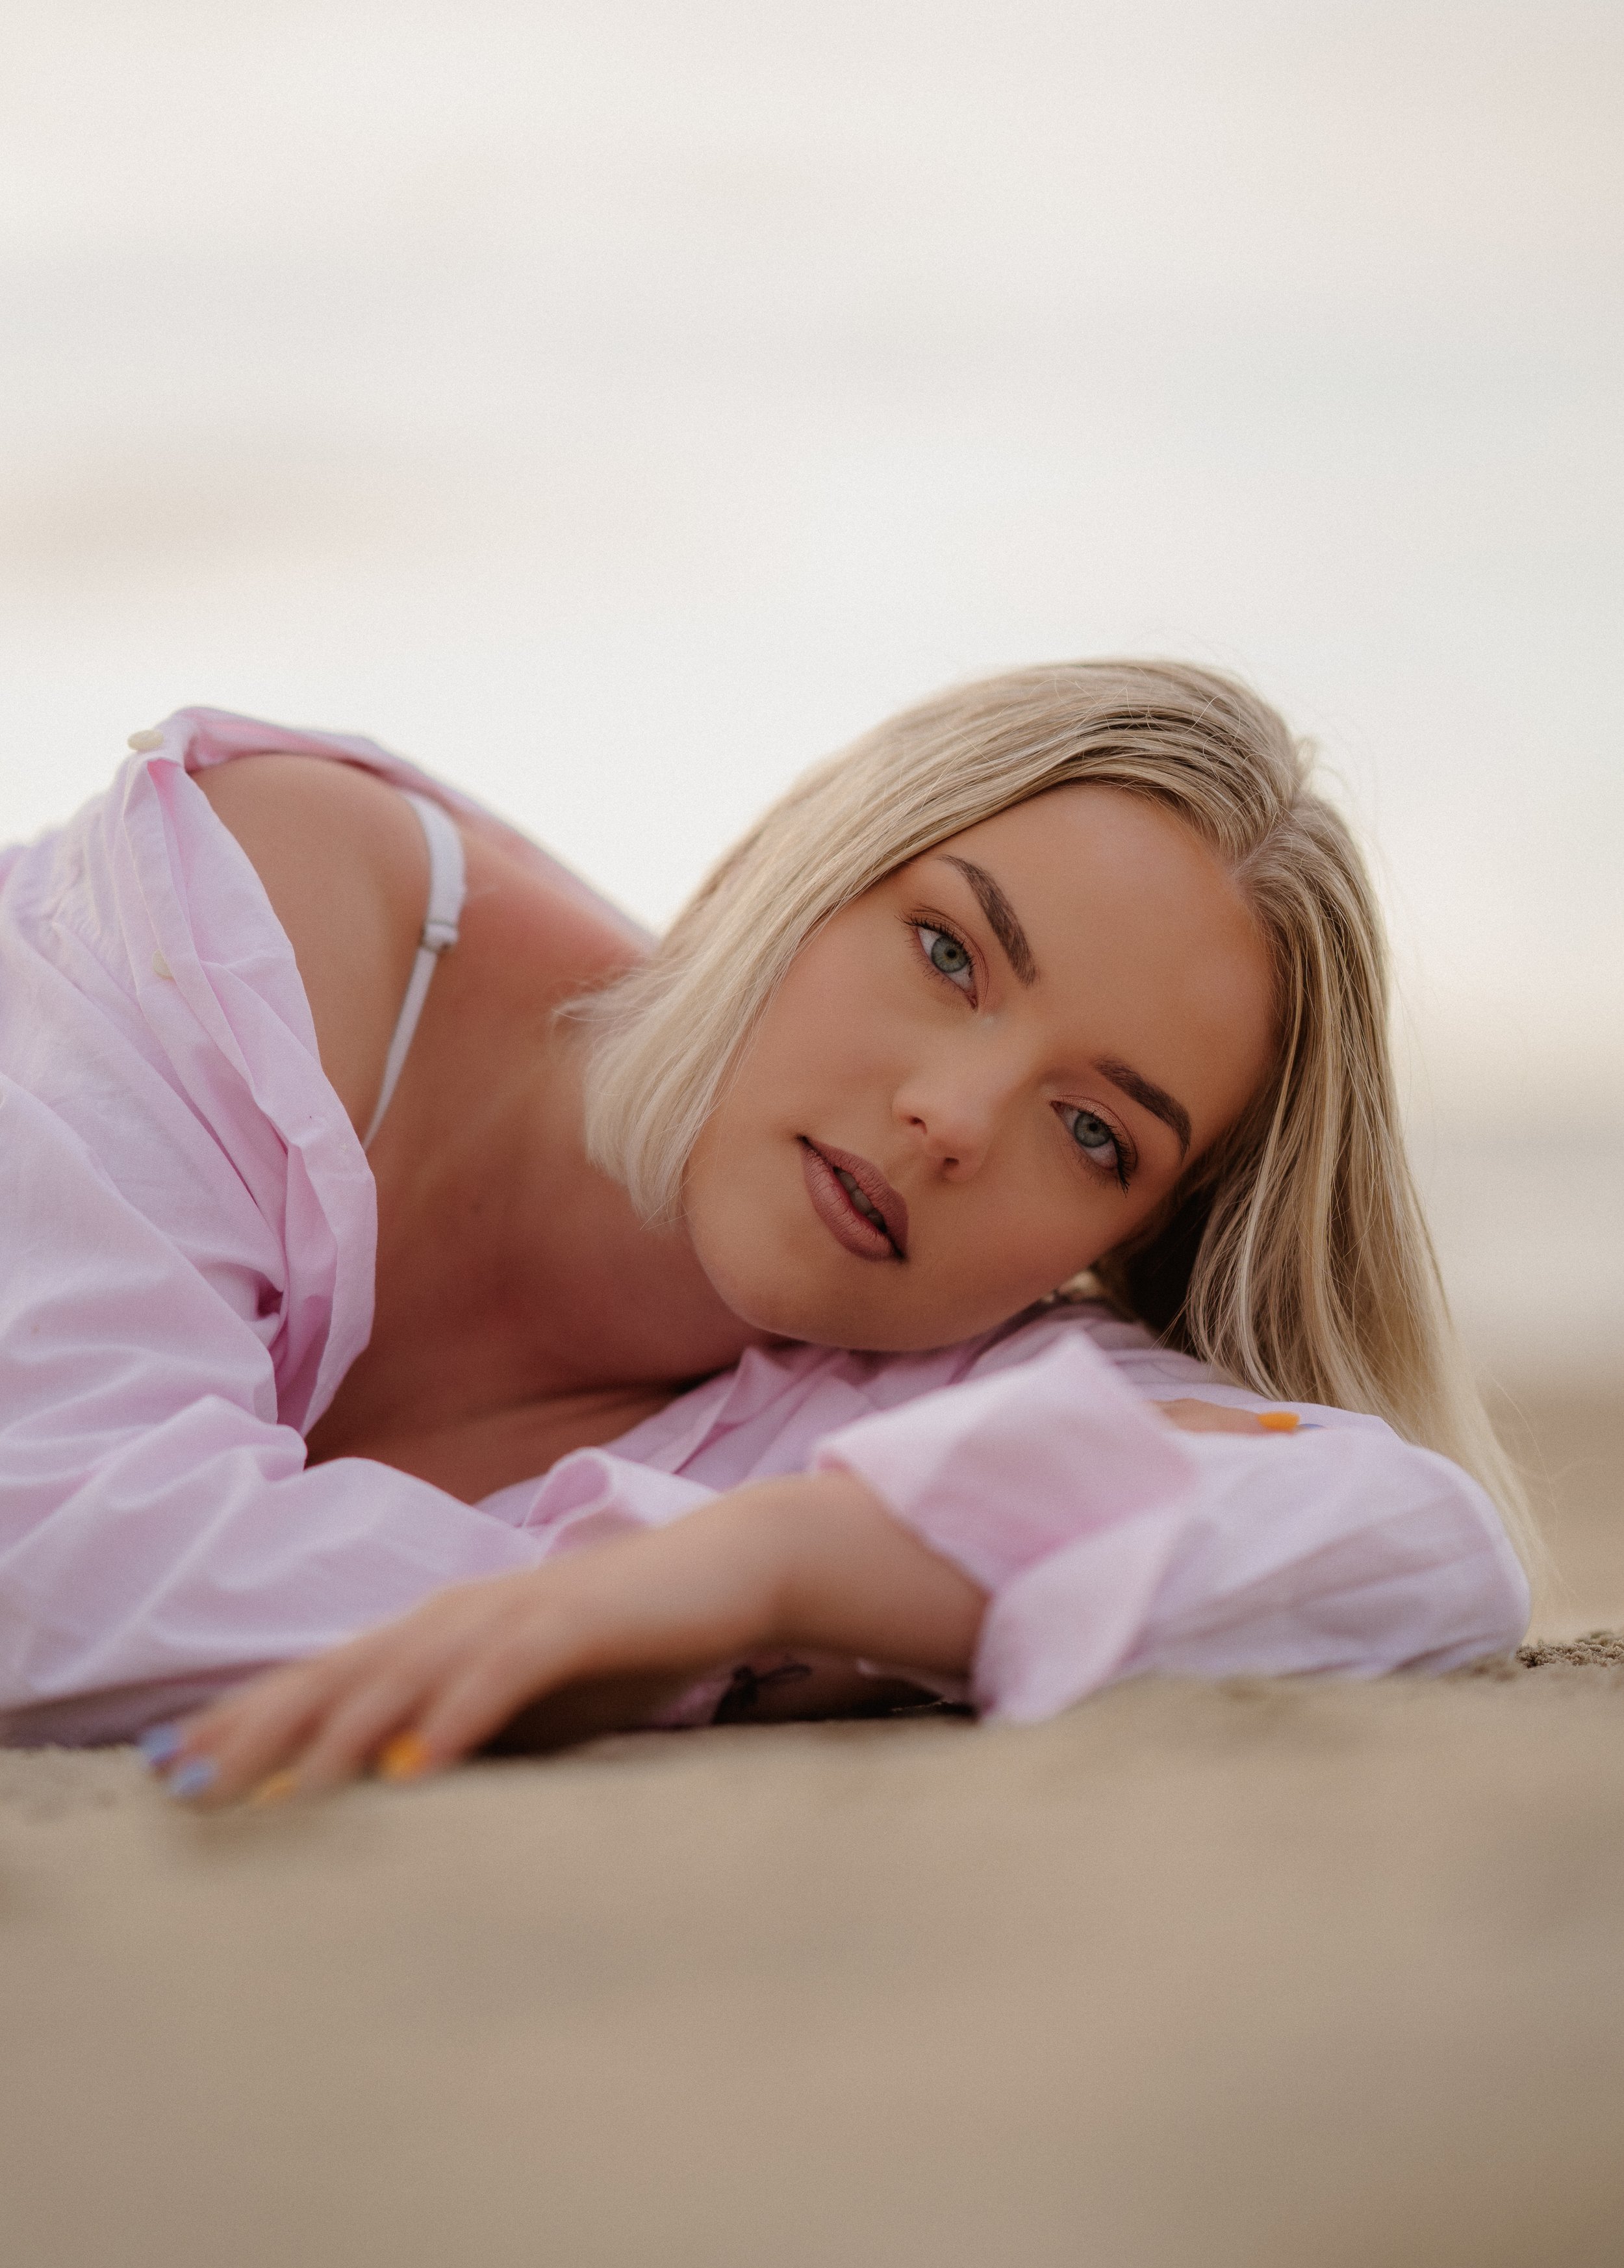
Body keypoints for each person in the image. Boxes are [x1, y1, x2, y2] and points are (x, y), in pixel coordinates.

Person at [0, 665, 1530, 1800]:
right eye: (946, 950)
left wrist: (782, 1565)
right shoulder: (257, 915)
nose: (953, 1119)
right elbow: (53, 1568)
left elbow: (1410, 1539)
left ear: (1132, 1235)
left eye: (1092, 1133)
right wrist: (643, 1626)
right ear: (783, 870)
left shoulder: (923, 1389)